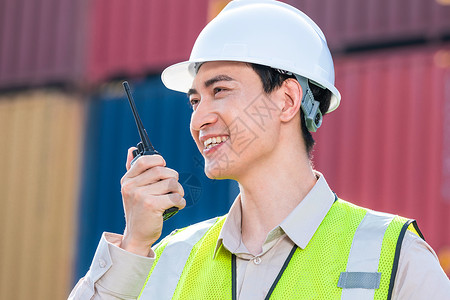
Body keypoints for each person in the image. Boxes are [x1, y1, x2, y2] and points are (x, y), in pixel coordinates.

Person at [69, 0, 450, 299]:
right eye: (194, 100)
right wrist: (134, 243)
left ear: (286, 101)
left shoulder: (393, 255)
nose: (198, 119)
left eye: (219, 91)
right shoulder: (169, 259)